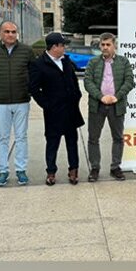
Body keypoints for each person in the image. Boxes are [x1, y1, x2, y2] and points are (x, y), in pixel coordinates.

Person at [0, 21, 34, 187]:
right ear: (0, 33)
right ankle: (3, 170)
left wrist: (33, 92)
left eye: (13, 32)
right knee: (3, 138)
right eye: (7, 32)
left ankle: (21, 170)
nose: (10, 34)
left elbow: (35, 74)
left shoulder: (27, 51)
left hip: (22, 101)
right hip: (1, 102)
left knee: (21, 137)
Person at [29, 32, 84, 186]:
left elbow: (74, 80)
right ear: (54, 47)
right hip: (54, 112)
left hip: (71, 110)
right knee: (52, 143)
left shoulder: (66, 61)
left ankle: (73, 170)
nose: (64, 47)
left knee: (72, 142)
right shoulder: (39, 64)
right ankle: (51, 172)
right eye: (62, 45)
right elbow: (33, 89)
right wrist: (47, 105)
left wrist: (77, 95)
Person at [84, 32, 135, 182]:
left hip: (116, 106)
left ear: (114, 46)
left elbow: (130, 81)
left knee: (118, 137)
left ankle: (115, 167)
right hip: (97, 106)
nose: (105, 47)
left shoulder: (123, 62)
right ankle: (95, 168)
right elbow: (88, 82)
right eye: (103, 44)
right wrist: (101, 97)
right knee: (93, 138)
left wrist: (116, 96)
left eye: (108, 45)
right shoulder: (93, 62)